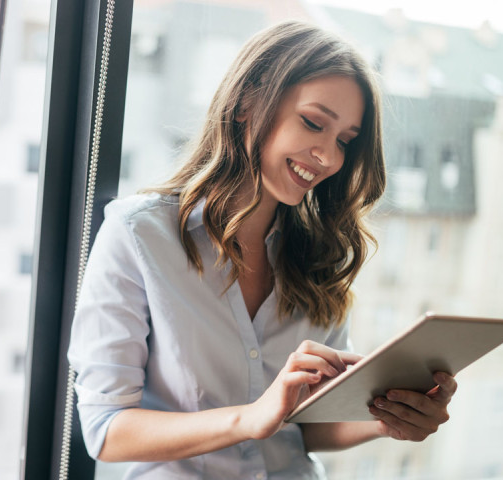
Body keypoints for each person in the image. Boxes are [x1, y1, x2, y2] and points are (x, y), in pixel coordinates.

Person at [67, 20, 457, 479]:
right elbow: (106, 430)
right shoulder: (138, 235)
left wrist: (386, 419)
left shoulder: (321, 255)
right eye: (313, 123)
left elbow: (308, 426)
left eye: (345, 142)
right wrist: (251, 417)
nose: (330, 158)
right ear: (247, 102)